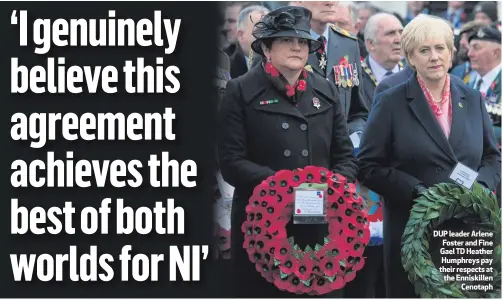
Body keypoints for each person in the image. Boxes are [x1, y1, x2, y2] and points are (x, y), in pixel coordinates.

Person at [357, 14, 501, 298]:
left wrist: (479, 189)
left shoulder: (471, 98)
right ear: (411, 58)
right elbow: (368, 165)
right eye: (424, 50)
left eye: (440, 48)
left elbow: (491, 157)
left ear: (451, 54)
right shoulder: (391, 101)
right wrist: (418, 192)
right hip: (412, 232)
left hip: (466, 232)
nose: (434, 57)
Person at [218, 6, 358, 298]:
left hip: (320, 225)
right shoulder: (241, 91)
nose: (297, 46)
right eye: (287, 40)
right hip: (262, 226)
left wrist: (329, 188)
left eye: (303, 41)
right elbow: (231, 161)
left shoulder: (326, 91)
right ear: (267, 48)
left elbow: (345, 158)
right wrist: (284, 187)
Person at [294, 1, 368, 138]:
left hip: (339, 152)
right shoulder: (285, 43)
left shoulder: (348, 43)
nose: (330, 3)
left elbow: (356, 112)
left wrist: (356, 136)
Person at [360, 12, 404, 111]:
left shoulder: (414, 74)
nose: (399, 40)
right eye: (391, 33)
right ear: (371, 43)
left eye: (401, 32)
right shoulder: (356, 77)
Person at [467, 26, 502, 145]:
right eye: (470, 48)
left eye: (476, 48)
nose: (469, 54)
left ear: (496, 52)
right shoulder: (468, 82)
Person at [230, 5, 270, 78]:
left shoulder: (282, 68)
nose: (267, 36)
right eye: (260, 30)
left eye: (270, 30)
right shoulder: (225, 70)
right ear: (241, 35)